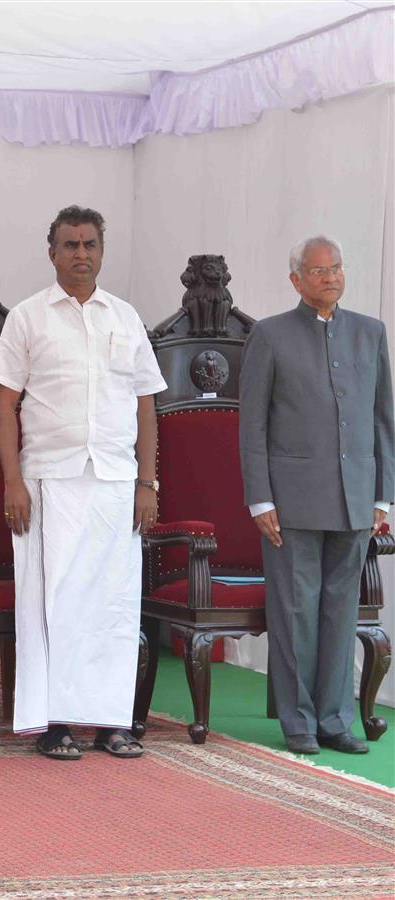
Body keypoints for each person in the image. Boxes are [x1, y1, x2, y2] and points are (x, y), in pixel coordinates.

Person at [0, 205, 165, 760]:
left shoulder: (125, 317)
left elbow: (146, 405)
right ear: (52, 253)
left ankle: (111, 721)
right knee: (52, 605)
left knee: (112, 605)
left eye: (89, 244)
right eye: (70, 245)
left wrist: (148, 482)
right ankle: (55, 722)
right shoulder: (28, 317)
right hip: (48, 481)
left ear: (102, 251)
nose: (80, 254)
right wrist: (13, 480)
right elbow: (3, 403)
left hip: (114, 482)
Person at [239, 235, 393, 755]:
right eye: (319, 270)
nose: (330, 277)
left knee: (340, 613)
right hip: (291, 504)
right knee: (295, 612)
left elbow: (381, 423)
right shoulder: (271, 335)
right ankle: (299, 723)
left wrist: (383, 497)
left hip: (355, 501)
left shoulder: (370, 334)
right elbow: (252, 425)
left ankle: (335, 719)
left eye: (336, 268)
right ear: (296, 280)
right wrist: (260, 498)